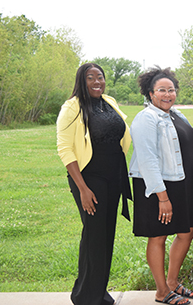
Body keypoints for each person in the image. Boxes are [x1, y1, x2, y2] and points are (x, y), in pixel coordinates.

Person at [56, 63, 132, 305]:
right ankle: (85, 296)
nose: (97, 81)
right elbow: (65, 149)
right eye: (91, 78)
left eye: (100, 77)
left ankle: (98, 292)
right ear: (81, 81)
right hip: (89, 179)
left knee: (106, 235)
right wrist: (83, 189)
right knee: (94, 236)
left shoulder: (108, 101)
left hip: (114, 177)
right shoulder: (72, 107)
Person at [128, 67, 193, 305]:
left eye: (171, 90)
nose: (167, 94)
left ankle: (172, 282)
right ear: (150, 93)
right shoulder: (146, 118)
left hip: (182, 182)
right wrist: (162, 196)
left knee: (188, 230)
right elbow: (147, 159)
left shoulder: (175, 115)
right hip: (157, 185)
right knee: (158, 236)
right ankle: (161, 291)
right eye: (161, 90)